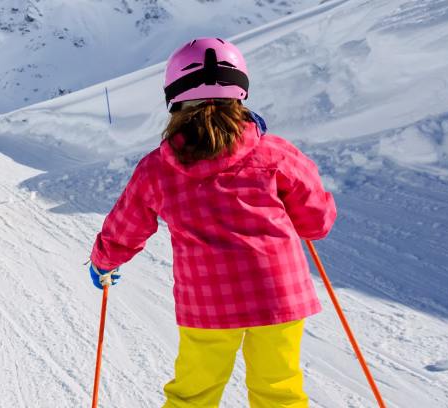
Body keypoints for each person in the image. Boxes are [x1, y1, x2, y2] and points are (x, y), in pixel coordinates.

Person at [86, 38, 337, 408]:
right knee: (279, 390)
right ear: (240, 93)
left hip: (208, 302)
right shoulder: (275, 153)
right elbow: (316, 220)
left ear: (173, 97)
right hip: (280, 293)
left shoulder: (157, 168)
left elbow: (126, 224)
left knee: (194, 394)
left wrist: (103, 261)